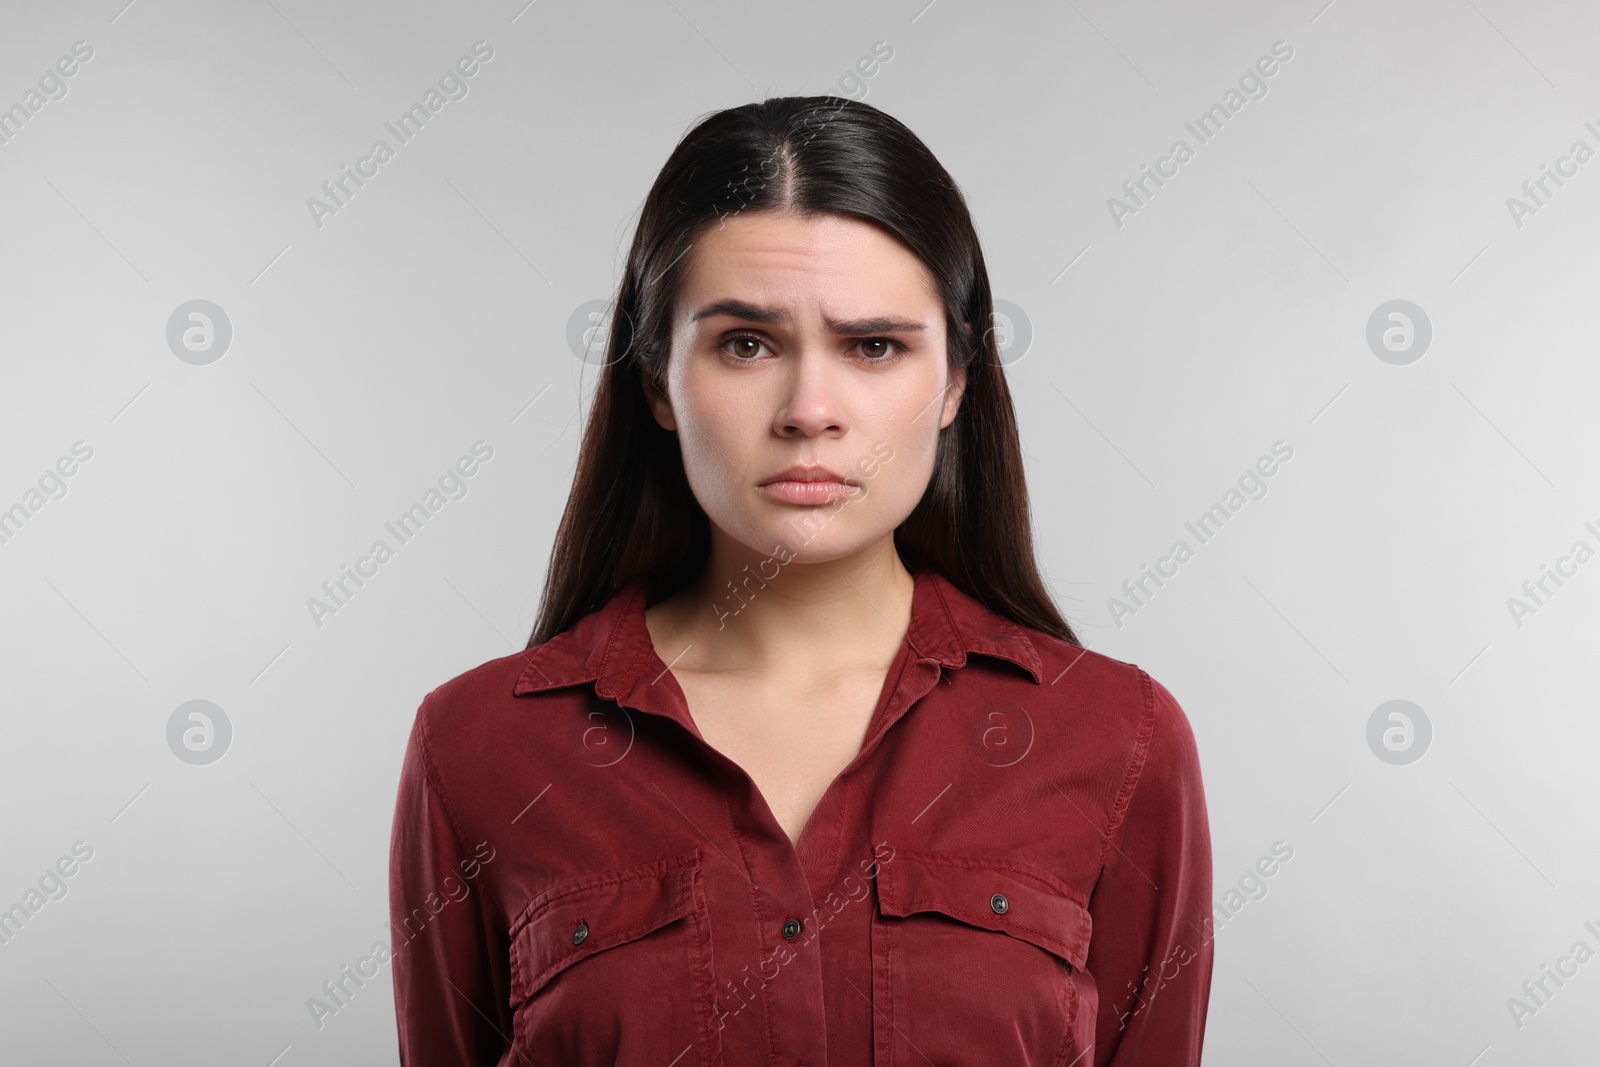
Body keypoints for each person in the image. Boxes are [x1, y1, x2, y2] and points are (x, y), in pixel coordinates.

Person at [388, 94, 1212, 1066]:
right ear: (656, 378)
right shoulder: (482, 746)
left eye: (873, 346)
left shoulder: (1118, 739)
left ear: (953, 381)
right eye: (746, 343)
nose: (808, 409)